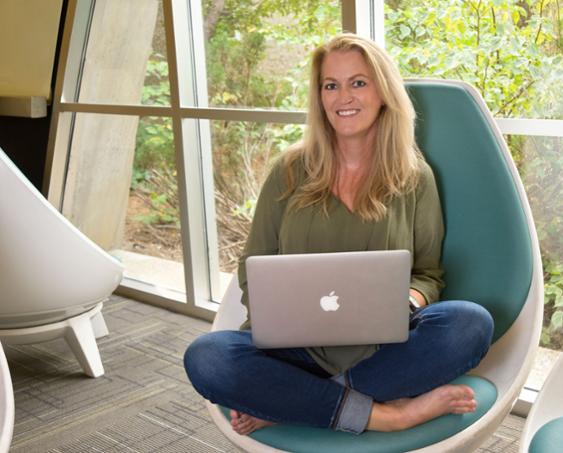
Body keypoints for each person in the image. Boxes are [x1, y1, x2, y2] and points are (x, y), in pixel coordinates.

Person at [184, 33, 494, 436]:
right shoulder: (289, 170)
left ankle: (297, 403)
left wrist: (404, 301)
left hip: (382, 349)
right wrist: (281, 314)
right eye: (331, 85)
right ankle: (390, 415)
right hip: (293, 351)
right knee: (207, 357)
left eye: (358, 82)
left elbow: (428, 274)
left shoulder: (414, 177)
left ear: (383, 92)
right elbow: (252, 267)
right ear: (320, 97)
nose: (343, 97)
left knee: (469, 323)